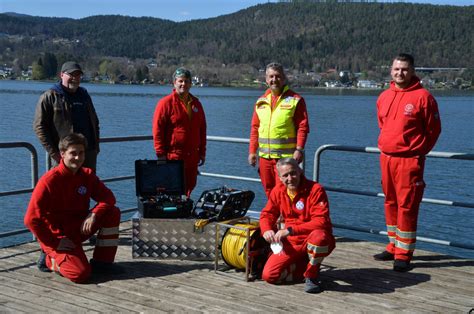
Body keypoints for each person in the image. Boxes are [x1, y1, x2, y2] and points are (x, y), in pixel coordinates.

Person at [374, 53, 441, 272]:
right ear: (390, 70)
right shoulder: (384, 96)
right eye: (396, 69)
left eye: (404, 69)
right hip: (387, 158)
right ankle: (393, 245)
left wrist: (417, 151)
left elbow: (433, 130)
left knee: (407, 206)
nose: (400, 73)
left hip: (409, 161)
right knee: (390, 202)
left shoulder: (424, 97)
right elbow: (383, 124)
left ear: (412, 71)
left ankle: (404, 253)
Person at [24, 133, 122, 283]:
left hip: (78, 228)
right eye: (73, 153)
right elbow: (31, 219)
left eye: (81, 153)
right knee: (80, 274)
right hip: (59, 236)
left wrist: (95, 213)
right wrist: (54, 243)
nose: (78, 157)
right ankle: (49, 260)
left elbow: (109, 198)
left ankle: (103, 262)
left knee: (112, 212)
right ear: (62, 154)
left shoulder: (87, 175)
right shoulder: (49, 181)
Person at [259, 158, 335, 293]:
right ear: (279, 177)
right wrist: (266, 230)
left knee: (320, 237)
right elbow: (267, 214)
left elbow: (321, 221)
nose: (290, 178)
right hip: (291, 243)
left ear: (300, 171)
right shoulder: (278, 191)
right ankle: (305, 265)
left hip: (311, 238)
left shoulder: (316, 190)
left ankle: (312, 275)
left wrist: (290, 230)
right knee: (269, 276)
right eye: (285, 175)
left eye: (293, 173)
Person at [248, 62, 309, 198]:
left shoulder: (295, 100)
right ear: (266, 79)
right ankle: (276, 218)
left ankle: (286, 218)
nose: (274, 80)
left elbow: (302, 127)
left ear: (284, 78)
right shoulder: (261, 101)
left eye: (277, 76)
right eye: (271, 76)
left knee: (284, 191)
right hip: (265, 158)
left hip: (285, 158)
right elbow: (255, 128)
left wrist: (299, 149)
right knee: (269, 191)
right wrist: (252, 151)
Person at [33, 61, 100, 171]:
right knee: (61, 186)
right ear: (62, 75)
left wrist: (96, 148)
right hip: (63, 155)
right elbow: (39, 127)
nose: (75, 78)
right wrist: (54, 153)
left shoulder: (85, 96)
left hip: (87, 154)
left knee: (87, 187)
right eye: (71, 74)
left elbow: (95, 122)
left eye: (78, 75)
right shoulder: (49, 96)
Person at [152, 67, 207, 197]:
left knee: (190, 186)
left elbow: (202, 129)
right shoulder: (165, 103)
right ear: (174, 83)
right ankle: (173, 216)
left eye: (187, 81)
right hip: (173, 156)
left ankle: (185, 212)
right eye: (181, 81)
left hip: (192, 157)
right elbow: (157, 130)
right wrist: (160, 154)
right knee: (172, 189)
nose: (184, 84)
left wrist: (202, 152)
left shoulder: (196, 104)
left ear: (191, 83)